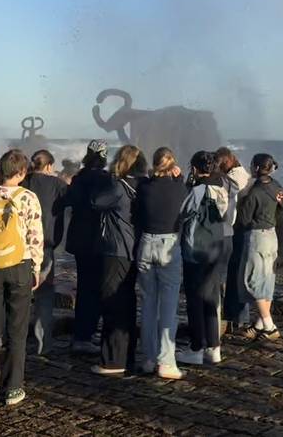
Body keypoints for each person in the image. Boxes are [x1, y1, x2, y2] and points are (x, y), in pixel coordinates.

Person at [0, 150, 44, 408]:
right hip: (19, 265)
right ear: (22, 172)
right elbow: (36, 235)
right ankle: (13, 388)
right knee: (17, 329)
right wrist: (36, 267)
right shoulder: (28, 197)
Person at [88, 145, 143, 375]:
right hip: (133, 249)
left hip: (115, 249)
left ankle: (112, 360)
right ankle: (127, 355)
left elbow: (95, 201)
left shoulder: (118, 187)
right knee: (128, 303)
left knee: (112, 302)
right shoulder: (141, 185)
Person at [134, 147, 188, 379]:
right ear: (172, 166)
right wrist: (180, 177)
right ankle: (166, 361)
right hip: (168, 244)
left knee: (147, 303)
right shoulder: (178, 188)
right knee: (168, 305)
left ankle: (148, 357)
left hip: (146, 242)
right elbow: (183, 202)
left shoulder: (144, 187)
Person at [177, 151, 232, 367]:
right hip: (216, 245)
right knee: (211, 298)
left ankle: (196, 347)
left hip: (196, 248)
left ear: (196, 169)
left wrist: (185, 186)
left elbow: (183, 211)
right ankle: (214, 347)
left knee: (195, 299)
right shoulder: (221, 188)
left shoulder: (199, 190)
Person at [61, 140, 112, 355]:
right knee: (99, 287)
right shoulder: (106, 179)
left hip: (80, 240)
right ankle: (87, 332)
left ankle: (82, 333)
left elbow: (69, 202)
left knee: (84, 286)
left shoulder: (79, 178)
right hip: (99, 240)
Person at [234, 153, 283, 340]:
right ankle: (260, 324)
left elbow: (244, 219)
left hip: (257, 237)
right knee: (267, 280)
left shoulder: (254, 192)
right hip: (272, 236)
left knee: (253, 281)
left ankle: (269, 325)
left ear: (256, 168)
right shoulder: (276, 186)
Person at [23, 149, 68, 356]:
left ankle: (9, 339)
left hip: (21, 245)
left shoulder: (24, 181)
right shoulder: (57, 185)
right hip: (45, 245)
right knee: (44, 295)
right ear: (49, 166)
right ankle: (43, 344)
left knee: (17, 294)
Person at [215, 147, 251, 334]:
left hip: (232, 229)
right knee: (238, 273)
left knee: (227, 274)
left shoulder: (232, 179)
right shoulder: (243, 173)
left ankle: (227, 318)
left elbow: (225, 203)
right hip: (240, 228)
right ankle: (237, 318)